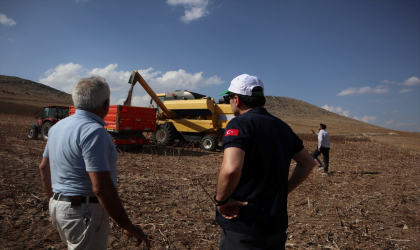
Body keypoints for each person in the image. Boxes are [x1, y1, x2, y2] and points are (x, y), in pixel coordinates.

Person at [38, 76, 151, 249]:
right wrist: (127, 225)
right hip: (83, 212)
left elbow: (44, 168)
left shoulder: (56, 128)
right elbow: (100, 187)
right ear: (106, 104)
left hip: (59, 207)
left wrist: (55, 203)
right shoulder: (94, 132)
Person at [215, 74, 315, 250]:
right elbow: (308, 163)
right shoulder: (282, 127)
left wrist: (222, 201)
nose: (229, 102)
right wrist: (284, 190)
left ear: (236, 99)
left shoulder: (239, 124)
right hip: (275, 226)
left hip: (244, 226)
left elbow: (231, 170)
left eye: (228, 97)